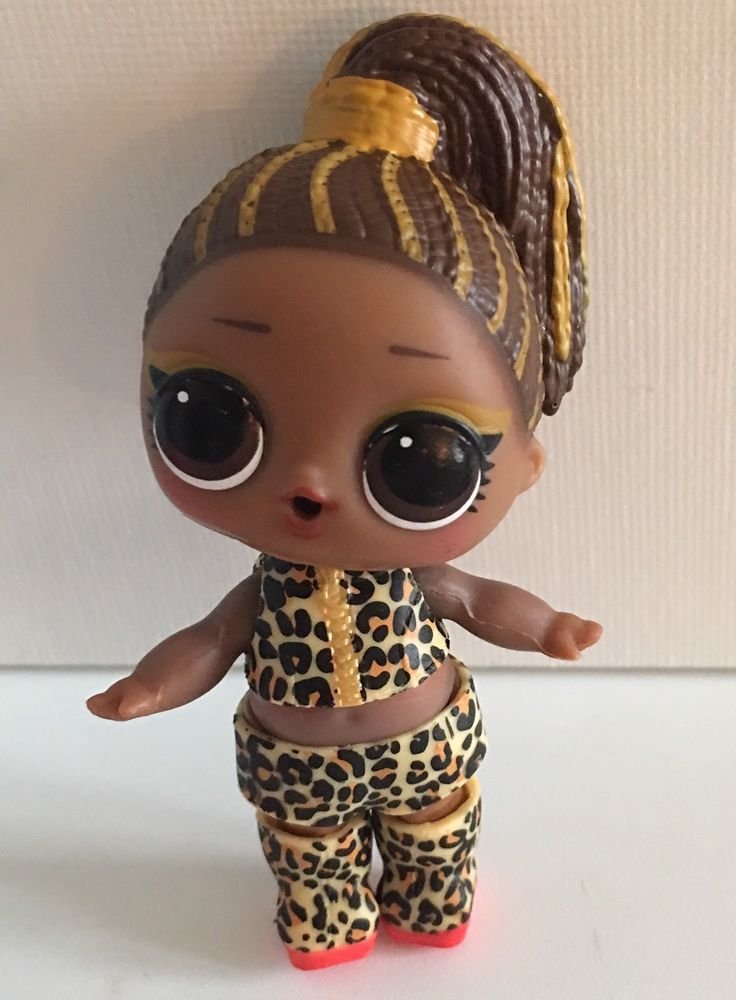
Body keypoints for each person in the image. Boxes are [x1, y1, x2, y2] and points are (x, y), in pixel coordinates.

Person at [87, 13, 602, 971]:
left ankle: (429, 903)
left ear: (524, 464)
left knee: (436, 844)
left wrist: (550, 627)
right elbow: (210, 640)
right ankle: (327, 923)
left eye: (421, 461)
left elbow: (479, 600)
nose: (310, 484)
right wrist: (149, 687)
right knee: (308, 862)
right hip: (296, 771)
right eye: (211, 420)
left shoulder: (418, 580)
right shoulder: (267, 588)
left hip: (426, 750)